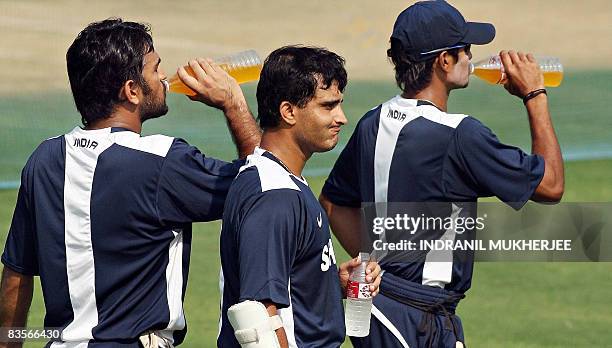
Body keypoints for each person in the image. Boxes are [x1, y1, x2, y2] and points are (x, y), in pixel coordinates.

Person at [0, 18, 260, 347]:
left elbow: (16, 276)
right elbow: (263, 183)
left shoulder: (44, 159)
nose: (164, 77)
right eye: (156, 68)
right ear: (131, 91)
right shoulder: (163, 160)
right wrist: (232, 102)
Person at [319, 1, 564, 347]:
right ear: (444, 61)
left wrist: (378, 267)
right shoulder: (460, 135)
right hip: (417, 320)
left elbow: (333, 203)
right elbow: (551, 185)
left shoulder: (373, 121)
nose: (471, 58)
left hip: (376, 311)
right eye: (464, 50)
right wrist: (535, 95)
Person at [217, 46, 382, 348]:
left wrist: (329, 284)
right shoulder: (275, 196)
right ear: (288, 111)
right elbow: (258, 321)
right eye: (328, 106)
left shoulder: (282, 180)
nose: (341, 118)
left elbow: (282, 288)